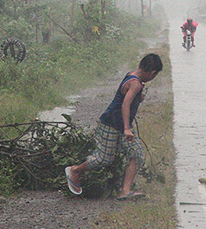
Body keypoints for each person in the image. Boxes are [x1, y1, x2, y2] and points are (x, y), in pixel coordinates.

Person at [64, 53, 163, 200]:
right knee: (104, 159)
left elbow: (127, 96)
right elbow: (125, 104)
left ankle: (125, 191)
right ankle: (75, 170)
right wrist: (126, 129)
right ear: (152, 72)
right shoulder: (135, 83)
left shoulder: (133, 76)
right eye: (154, 76)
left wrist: (138, 97)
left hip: (122, 125)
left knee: (136, 153)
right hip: (110, 124)